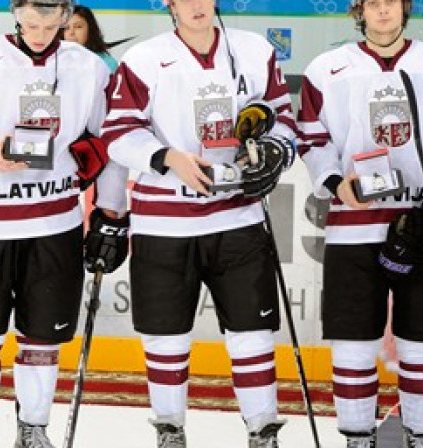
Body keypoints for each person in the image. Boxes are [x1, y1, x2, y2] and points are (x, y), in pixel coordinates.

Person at [0, 1, 130, 447]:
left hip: (54, 223)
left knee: (42, 337)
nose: (39, 32)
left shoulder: (87, 67)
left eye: (51, 23)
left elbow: (110, 142)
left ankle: (33, 429)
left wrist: (111, 213)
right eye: (31, 22)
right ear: (16, 12)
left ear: (66, 15)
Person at [98, 0, 297, 446]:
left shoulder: (254, 50)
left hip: (239, 219)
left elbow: (284, 120)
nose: (195, 5)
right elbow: (118, 134)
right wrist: (167, 158)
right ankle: (170, 430)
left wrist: (275, 152)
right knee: (166, 339)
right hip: (164, 225)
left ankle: (262, 431)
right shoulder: (144, 59)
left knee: (253, 335)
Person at [297, 0, 423, 446]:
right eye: (373, 3)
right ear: (359, 10)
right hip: (352, 228)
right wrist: (337, 183)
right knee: (353, 344)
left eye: (391, 2)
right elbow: (311, 136)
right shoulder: (327, 68)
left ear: (405, 8)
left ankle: (421, 435)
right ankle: (358, 437)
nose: (383, 11)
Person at [63, 5, 118, 72]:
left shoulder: (107, 63)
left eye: (78, 27)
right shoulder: (54, 61)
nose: (71, 32)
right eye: (66, 28)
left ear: (90, 29)